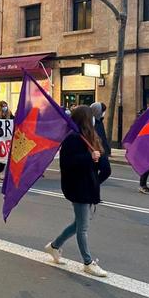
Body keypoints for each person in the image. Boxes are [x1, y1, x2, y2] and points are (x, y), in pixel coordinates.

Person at [45, 105, 112, 277]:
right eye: (91, 117)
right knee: (83, 227)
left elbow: (99, 164)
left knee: (78, 224)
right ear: (85, 119)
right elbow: (67, 163)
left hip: (87, 186)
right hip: (78, 187)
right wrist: (89, 158)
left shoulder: (88, 136)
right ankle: (88, 262)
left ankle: (53, 246)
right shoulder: (72, 138)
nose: (94, 120)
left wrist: (97, 163)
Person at [0, 100, 13, 180]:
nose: (5, 108)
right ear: (0, 107)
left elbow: (14, 120)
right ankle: (0, 172)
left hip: (8, 138)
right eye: (3, 106)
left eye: (5, 106)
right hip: (0, 139)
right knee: (3, 155)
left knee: (9, 156)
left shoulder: (9, 114)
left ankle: (9, 173)